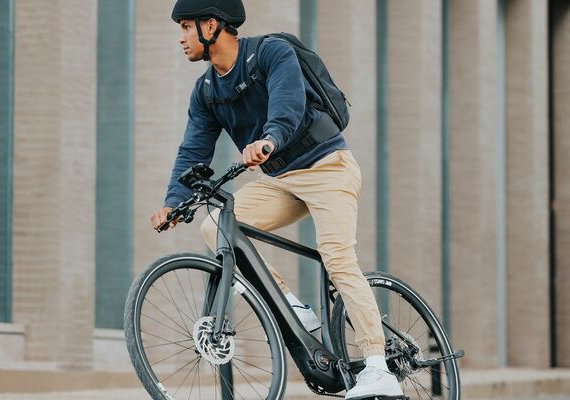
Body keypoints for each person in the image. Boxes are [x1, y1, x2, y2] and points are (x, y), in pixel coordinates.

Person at [149, 1, 404, 398]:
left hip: (327, 167)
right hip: (280, 180)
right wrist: (174, 202)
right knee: (214, 225)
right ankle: (289, 303)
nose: (180, 38)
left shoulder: (270, 52)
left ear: (212, 25)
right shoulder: (206, 90)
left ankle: (378, 366)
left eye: (185, 27)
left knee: (336, 255)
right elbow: (192, 150)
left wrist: (269, 139)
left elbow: (288, 104)